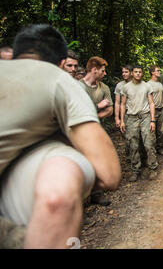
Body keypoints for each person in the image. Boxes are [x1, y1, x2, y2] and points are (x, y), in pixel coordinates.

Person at [0, 24, 120, 248]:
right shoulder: (58, 78)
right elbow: (109, 175)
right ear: (61, 63)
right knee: (62, 164)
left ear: (15, 55)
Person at [79, 56, 114, 205]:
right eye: (102, 70)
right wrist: (98, 107)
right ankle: (81, 197)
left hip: (97, 129)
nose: (105, 74)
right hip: (78, 131)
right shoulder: (77, 87)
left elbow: (110, 110)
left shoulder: (104, 88)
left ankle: (96, 193)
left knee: (96, 160)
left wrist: (94, 115)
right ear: (94, 70)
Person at [120, 65, 158, 182]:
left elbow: (151, 103)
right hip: (131, 118)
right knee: (133, 144)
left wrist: (152, 120)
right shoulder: (126, 87)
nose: (138, 74)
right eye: (135, 72)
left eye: (140, 72)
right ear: (132, 73)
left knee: (149, 143)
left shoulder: (147, 86)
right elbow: (122, 104)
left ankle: (153, 168)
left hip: (145, 117)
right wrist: (122, 121)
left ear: (142, 74)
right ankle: (135, 169)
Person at [147, 65, 163, 155]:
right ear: (152, 72)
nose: (159, 72)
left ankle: (160, 148)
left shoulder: (160, 84)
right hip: (152, 111)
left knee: (161, 131)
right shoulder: (148, 84)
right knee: (152, 132)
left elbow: (162, 96)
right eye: (158, 71)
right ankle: (152, 151)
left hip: (160, 110)